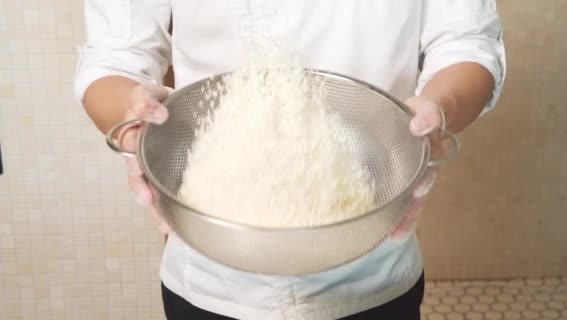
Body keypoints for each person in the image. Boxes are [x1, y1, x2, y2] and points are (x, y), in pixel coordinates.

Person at [74, 1, 506, 319]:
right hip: (211, 271)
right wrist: (130, 113)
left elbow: (466, 40)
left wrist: (439, 108)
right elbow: (115, 56)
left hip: (374, 264)